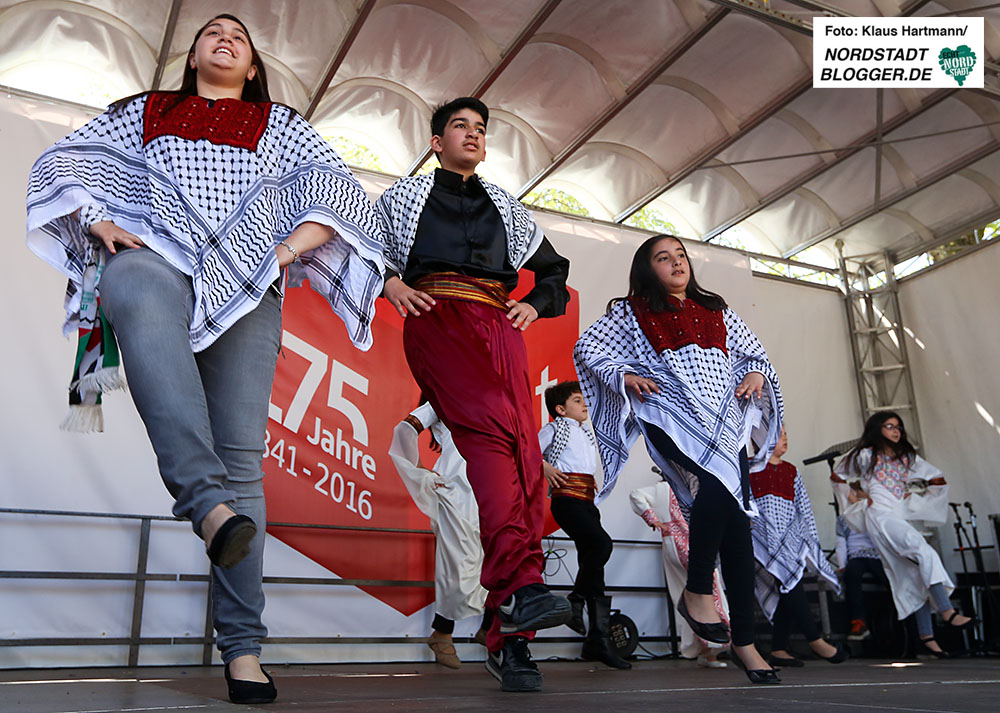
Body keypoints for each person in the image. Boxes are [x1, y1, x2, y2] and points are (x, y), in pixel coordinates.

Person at [25, 14, 384, 705]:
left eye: (239, 37)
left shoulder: (283, 125)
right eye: (212, 32)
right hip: (155, 256)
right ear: (191, 56)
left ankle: (243, 651)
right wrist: (97, 219)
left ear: (252, 67)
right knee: (128, 280)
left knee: (242, 461)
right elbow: (62, 162)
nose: (225, 38)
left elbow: (341, 199)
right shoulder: (144, 111)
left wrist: (279, 251)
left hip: (249, 285)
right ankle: (204, 504)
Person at [375, 97, 571, 693]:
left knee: (525, 461)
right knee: (488, 443)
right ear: (437, 142)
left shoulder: (506, 207)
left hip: (499, 327)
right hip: (438, 318)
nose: (472, 134)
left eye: (480, 128)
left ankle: (511, 638)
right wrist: (391, 283)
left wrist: (533, 305)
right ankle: (521, 587)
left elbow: (555, 270)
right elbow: (361, 248)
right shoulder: (403, 199)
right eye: (459, 126)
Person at [575, 233, 783, 684]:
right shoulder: (630, 312)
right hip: (668, 411)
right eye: (663, 258)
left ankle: (745, 643)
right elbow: (588, 348)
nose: (676, 263)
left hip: (723, 421)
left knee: (737, 524)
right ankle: (698, 591)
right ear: (647, 268)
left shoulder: (716, 309)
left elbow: (755, 354)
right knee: (716, 491)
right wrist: (623, 374)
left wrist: (753, 373)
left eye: (681, 255)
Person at [833, 412, 974, 658]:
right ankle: (947, 611)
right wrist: (855, 501)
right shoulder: (866, 455)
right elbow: (838, 475)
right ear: (877, 429)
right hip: (879, 516)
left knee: (912, 573)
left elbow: (937, 479)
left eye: (898, 426)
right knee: (923, 551)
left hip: (897, 516)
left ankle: (926, 636)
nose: (895, 430)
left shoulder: (907, 458)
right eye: (889, 426)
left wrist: (915, 499)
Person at [388, 399, 489, 668]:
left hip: (488, 488)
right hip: (455, 493)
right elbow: (404, 430)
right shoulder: (440, 403)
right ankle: (442, 632)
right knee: (458, 564)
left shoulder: (485, 404)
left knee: (496, 559)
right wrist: (421, 471)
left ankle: (490, 627)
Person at [539, 381, 630, 670]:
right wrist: (544, 466)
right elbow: (527, 451)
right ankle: (576, 599)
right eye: (577, 400)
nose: (584, 405)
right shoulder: (554, 428)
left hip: (586, 501)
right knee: (602, 545)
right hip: (567, 500)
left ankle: (597, 641)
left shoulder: (585, 432)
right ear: (560, 409)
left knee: (594, 568)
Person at [751, 427, 846, 667]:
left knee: (788, 583)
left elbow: (802, 507)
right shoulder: (748, 467)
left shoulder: (791, 470)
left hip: (790, 540)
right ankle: (814, 639)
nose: (785, 438)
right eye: (778, 434)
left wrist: (807, 539)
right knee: (788, 582)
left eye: (786, 434)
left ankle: (779, 648)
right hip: (758, 541)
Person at [630, 470, 729, 668]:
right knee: (707, 591)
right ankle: (714, 645)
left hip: (677, 546)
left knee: (691, 595)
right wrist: (653, 519)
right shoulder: (669, 489)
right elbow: (636, 494)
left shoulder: (666, 489)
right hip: (687, 546)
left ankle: (705, 649)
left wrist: (653, 519)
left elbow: (637, 495)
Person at [835, 513, 887, 641]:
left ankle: (903, 619)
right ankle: (859, 622)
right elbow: (841, 543)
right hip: (856, 555)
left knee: (890, 579)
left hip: (878, 556)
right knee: (851, 574)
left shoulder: (877, 513)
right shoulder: (844, 518)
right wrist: (842, 565)